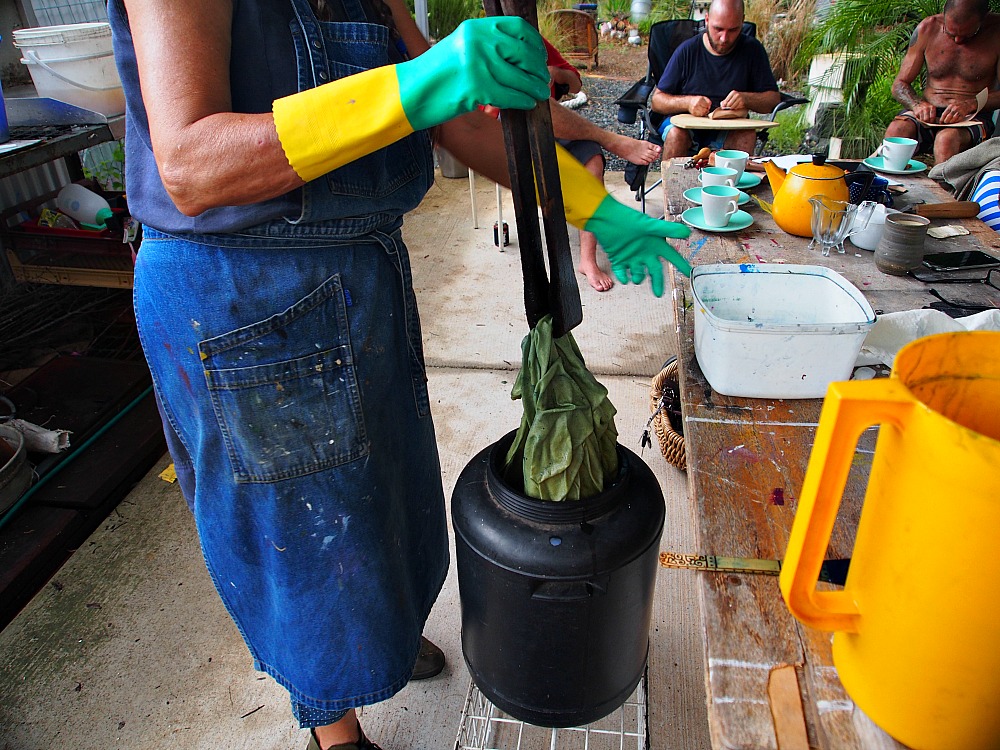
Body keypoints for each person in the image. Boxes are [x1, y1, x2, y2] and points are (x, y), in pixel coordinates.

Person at [107, 1, 690, 749]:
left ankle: (371, 638)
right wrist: (420, 82)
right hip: (247, 303)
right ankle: (335, 724)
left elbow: (452, 122)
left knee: (382, 499)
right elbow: (190, 164)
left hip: (359, 278)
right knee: (309, 546)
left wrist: (596, 211)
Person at [487, 39, 662, 292]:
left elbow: (576, 83)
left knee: (591, 158)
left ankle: (587, 260)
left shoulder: (534, 41)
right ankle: (611, 139)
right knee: (535, 104)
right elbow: (485, 109)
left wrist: (555, 73)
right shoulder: (491, 44)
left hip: (557, 128)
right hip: (506, 132)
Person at [650, 0, 781, 158]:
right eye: (718, 29)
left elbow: (773, 100)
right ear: (707, 20)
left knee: (746, 135)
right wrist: (688, 103)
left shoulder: (753, 50)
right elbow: (657, 101)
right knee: (676, 134)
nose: (724, 38)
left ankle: (730, 183)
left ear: (742, 21)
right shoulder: (687, 50)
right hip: (684, 124)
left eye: (733, 30)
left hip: (729, 127)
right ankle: (671, 182)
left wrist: (747, 99)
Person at [885, 0, 1000, 163]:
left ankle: (943, 188)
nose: (958, 40)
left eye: (968, 35)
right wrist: (917, 104)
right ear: (944, 17)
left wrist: (970, 104)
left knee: (946, 140)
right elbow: (899, 85)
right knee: (897, 130)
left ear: (983, 19)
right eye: (951, 33)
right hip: (928, 114)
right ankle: (886, 185)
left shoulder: (996, 32)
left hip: (972, 116)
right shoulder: (928, 28)